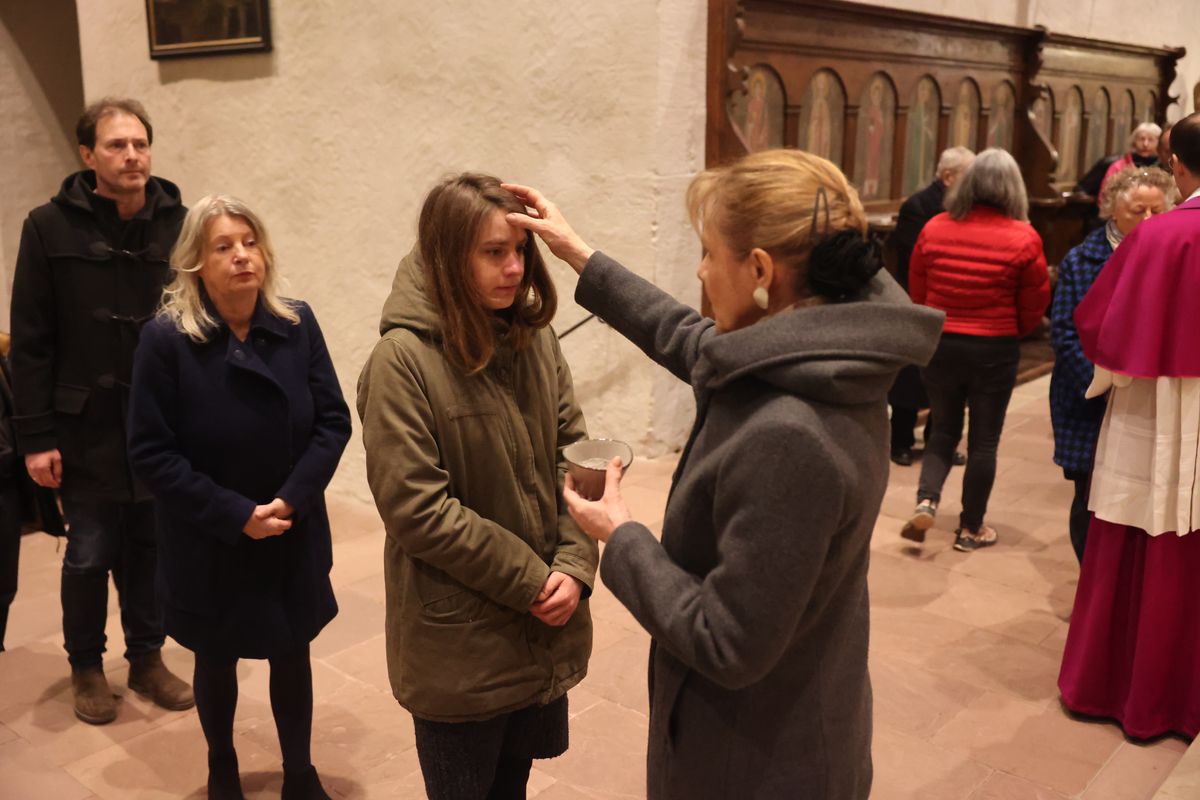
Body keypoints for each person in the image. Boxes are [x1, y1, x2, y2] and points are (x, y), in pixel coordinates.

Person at [504, 149, 944, 799]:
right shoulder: (829, 350)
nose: (702, 271)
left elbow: (727, 640)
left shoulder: (791, 437)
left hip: (758, 759)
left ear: (761, 270)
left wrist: (621, 533)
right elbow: (690, 339)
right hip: (801, 707)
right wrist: (580, 255)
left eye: (710, 252)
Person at [357, 173, 597, 800]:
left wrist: (573, 563)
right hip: (460, 639)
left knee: (511, 786)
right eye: (494, 252)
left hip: (540, 622)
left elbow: (577, 454)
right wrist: (531, 580)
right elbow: (418, 509)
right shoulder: (401, 363)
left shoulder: (533, 337)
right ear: (446, 254)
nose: (515, 268)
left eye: (520, 250)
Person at [127, 195, 350, 799]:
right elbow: (151, 452)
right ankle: (221, 766)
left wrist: (292, 501)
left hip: (287, 527)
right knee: (216, 655)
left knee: (290, 651)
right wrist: (234, 514)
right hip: (210, 534)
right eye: (223, 246)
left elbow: (333, 421)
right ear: (196, 263)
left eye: (249, 242)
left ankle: (299, 774)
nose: (241, 256)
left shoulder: (297, 323)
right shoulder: (166, 341)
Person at [8, 97, 192, 723]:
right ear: (87, 155)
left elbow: (201, 324)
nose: (132, 155)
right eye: (116, 145)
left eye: (140, 143)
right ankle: (86, 665)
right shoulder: (47, 226)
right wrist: (35, 437)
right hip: (82, 426)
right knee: (88, 553)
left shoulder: (181, 223)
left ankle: (146, 658)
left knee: (151, 547)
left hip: (159, 423)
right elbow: (30, 341)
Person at [1058, 112, 1200, 740]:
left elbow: (1100, 330)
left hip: (1164, 407)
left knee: (1151, 535)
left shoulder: (1160, 238)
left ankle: (1140, 690)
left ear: (1176, 164)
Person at [901, 148, 1051, 551]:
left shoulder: (935, 228)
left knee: (943, 429)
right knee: (984, 441)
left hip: (942, 344)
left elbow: (919, 291)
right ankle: (970, 528)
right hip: (993, 347)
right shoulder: (1024, 237)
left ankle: (927, 500)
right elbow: (1034, 303)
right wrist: (1012, 331)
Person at [1049, 166, 1173, 564]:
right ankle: (1090, 579)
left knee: (1138, 497)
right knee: (1088, 497)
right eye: (1139, 210)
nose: (1150, 220)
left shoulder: (1174, 256)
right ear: (1112, 211)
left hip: (1149, 401)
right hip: (1089, 401)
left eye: (1158, 210)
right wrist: (1108, 386)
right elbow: (1066, 334)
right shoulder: (1082, 260)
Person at [889, 146, 974, 466]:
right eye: (969, 175)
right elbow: (915, 260)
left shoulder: (964, 208)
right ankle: (900, 441)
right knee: (909, 380)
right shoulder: (918, 206)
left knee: (949, 381)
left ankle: (941, 443)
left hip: (951, 305)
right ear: (949, 176)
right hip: (918, 302)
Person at [1097, 121, 1162, 200]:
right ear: (1134, 142)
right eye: (1141, 139)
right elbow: (1105, 195)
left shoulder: (1163, 166)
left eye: (1151, 140)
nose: (1145, 144)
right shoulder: (1118, 166)